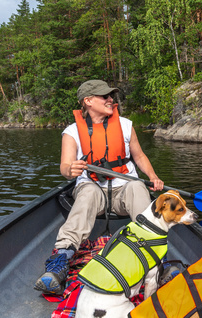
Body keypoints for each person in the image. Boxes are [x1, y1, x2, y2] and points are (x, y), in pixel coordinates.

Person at [34, 80, 164, 294]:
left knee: (138, 187)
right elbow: (65, 167)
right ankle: (60, 262)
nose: (110, 100)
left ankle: (157, 261)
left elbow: (139, 156)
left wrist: (153, 176)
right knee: (88, 191)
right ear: (88, 101)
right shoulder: (72, 132)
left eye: (110, 96)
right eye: (104, 96)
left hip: (124, 191)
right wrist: (70, 170)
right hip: (94, 192)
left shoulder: (125, 125)